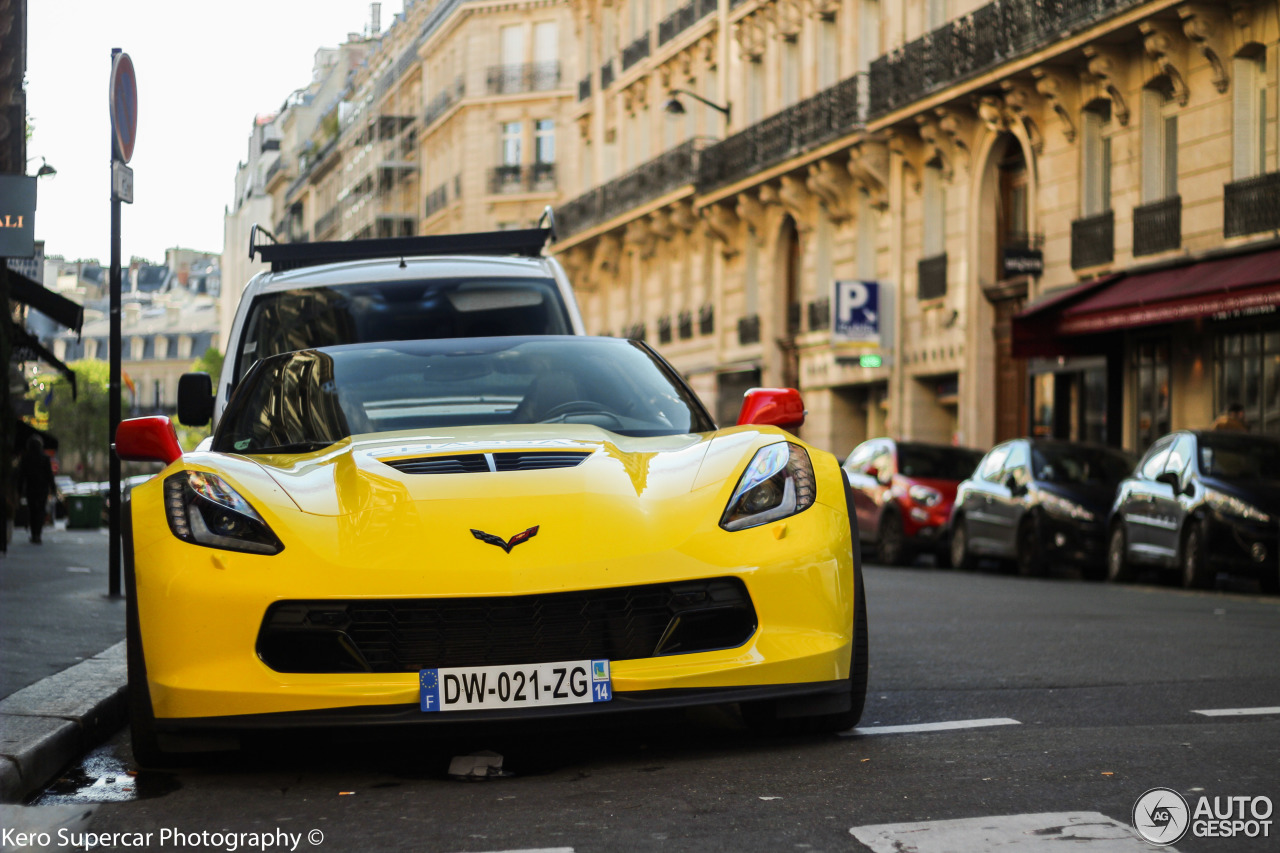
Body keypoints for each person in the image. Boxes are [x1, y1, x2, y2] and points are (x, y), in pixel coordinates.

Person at [17, 435, 55, 544]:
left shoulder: (26, 458)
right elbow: (49, 475)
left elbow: (22, 476)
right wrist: (52, 488)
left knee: (32, 511)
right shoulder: (45, 458)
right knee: (40, 511)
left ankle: (34, 534)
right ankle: (38, 534)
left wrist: (19, 491)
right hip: (42, 489)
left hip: (31, 488)